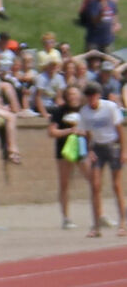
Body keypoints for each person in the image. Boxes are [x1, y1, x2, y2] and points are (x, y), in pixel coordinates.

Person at [77, 80, 126, 237]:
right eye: (89, 95)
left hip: (112, 146)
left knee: (116, 186)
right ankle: (96, 226)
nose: (92, 98)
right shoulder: (84, 112)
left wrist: (124, 151)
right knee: (95, 186)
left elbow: (120, 130)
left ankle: (123, 223)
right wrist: (89, 150)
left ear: (98, 95)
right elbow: (86, 133)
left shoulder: (110, 107)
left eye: (94, 95)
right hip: (97, 147)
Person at [49, 83, 85, 229]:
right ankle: (66, 217)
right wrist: (70, 131)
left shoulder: (85, 110)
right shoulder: (59, 112)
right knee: (64, 184)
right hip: (64, 150)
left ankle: (100, 214)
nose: (73, 97)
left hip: (83, 150)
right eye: (70, 94)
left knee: (94, 180)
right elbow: (52, 132)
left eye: (75, 94)